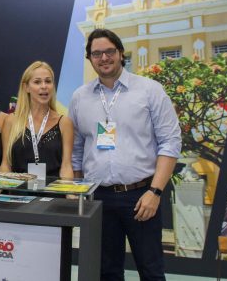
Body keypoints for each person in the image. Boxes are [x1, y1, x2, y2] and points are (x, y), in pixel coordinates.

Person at [69, 28, 181, 281]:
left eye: (109, 51)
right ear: (90, 58)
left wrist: (155, 192)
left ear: (121, 53)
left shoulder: (150, 90)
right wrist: (79, 191)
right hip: (98, 198)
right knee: (106, 272)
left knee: (151, 271)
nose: (104, 58)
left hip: (141, 196)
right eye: (96, 53)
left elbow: (170, 143)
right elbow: (76, 149)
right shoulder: (80, 97)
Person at [0, 61, 74, 179]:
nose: (44, 86)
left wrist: (68, 189)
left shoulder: (64, 123)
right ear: (26, 87)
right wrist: (0, 186)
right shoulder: (11, 121)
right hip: (19, 190)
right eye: (37, 82)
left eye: (48, 81)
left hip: (53, 190)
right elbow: (6, 165)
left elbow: (66, 167)